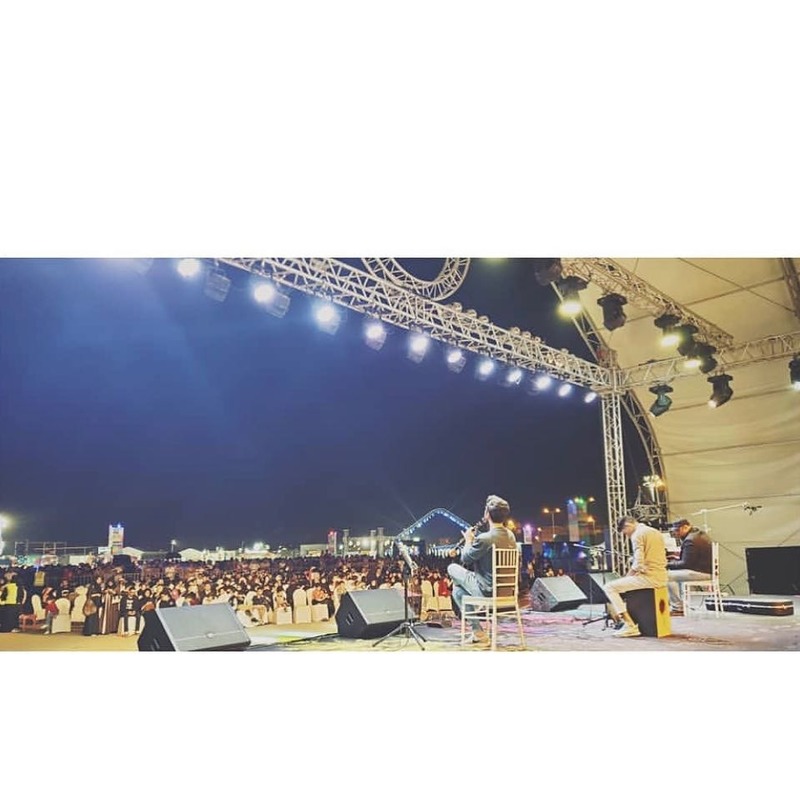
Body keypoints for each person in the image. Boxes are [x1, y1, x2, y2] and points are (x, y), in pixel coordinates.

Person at [447, 494, 517, 644]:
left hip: (487, 591)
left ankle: (478, 629)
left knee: (452, 568)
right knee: (457, 592)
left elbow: (465, 559)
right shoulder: (511, 536)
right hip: (507, 592)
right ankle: (478, 632)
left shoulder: (485, 539)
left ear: (487, 514)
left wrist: (468, 540)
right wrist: (475, 541)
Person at [603, 515, 668, 638]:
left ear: (628, 526)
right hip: (661, 575)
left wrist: (627, 576)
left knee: (609, 587)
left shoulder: (637, 535)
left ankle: (630, 625)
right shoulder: (655, 531)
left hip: (650, 578)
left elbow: (638, 563)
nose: (626, 536)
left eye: (625, 532)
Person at [666, 519, 713, 614]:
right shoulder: (699, 534)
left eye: (677, 530)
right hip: (706, 570)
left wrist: (667, 564)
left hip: (701, 573)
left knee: (668, 576)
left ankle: (677, 607)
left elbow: (686, 564)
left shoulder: (690, 540)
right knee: (675, 575)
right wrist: (675, 561)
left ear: (685, 527)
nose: (676, 534)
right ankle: (679, 603)